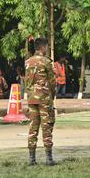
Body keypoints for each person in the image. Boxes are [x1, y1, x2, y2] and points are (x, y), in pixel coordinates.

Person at [24, 37, 57, 166]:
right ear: (43, 47)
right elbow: (52, 81)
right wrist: (52, 95)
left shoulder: (28, 62)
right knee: (46, 126)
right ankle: (49, 158)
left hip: (32, 98)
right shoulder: (46, 62)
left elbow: (27, 82)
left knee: (33, 127)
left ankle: (32, 158)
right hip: (44, 98)